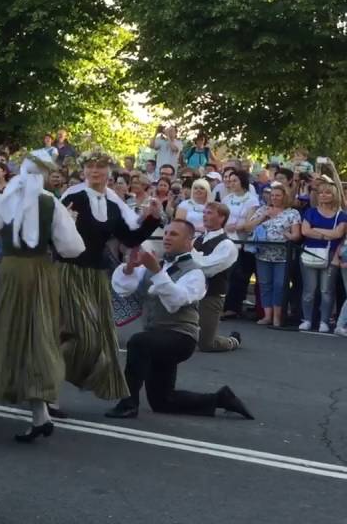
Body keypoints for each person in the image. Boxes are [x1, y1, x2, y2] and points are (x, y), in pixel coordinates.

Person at [0, 149, 84, 441]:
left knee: (4, 331)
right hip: (42, 273)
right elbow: (73, 247)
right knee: (37, 334)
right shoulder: (53, 205)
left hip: (11, 273)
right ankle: (39, 414)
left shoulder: (4, 203)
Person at [104, 220, 255, 421]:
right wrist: (130, 268)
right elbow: (123, 288)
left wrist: (157, 272)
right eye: (166, 233)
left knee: (138, 343)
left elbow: (175, 301)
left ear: (188, 242)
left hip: (181, 337)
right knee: (162, 401)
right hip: (157, 336)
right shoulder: (158, 264)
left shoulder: (194, 272)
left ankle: (128, 403)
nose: (166, 237)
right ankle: (221, 398)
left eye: (174, 234)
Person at [56, 153, 161, 404]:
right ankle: (48, 393)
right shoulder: (73, 197)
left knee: (99, 338)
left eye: (100, 167)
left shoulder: (113, 205)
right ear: (83, 171)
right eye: (90, 167)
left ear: (109, 172)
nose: (95, 171)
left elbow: (129, 239)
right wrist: (65, 224)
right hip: (69, 272)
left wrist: (153, 219)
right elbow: (54, 236)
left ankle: (53, 386)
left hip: (95, 276)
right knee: (75, 334)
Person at [245, 182, 301, 328]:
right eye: (273, 195)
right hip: (262, 254)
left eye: (278, 195)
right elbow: (248, 227)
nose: (275, 198)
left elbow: (296, 235)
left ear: (284, 197)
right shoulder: (263, 210)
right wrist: (264, 217)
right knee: (265, 285)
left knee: (280, 285)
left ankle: (278, 316)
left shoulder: (292, 213)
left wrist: (287, 234)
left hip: (283, 256)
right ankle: (267, 315)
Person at [190, 203, 242, 353]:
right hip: (191, 292)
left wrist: (189, 252)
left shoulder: (227, 245)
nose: (205, 215)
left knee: (207, 344)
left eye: (210, 213)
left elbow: (208, 268)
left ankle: (232, 341)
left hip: (211, 295)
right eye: (204, 212)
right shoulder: (198, 240)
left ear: (221, 218)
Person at [298, 178, 346, 331]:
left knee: (326, 290)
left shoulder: (341, 215)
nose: (324, 196)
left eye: (327, 193)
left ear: (334, 195)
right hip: (309, 252)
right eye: (321, 193)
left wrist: (316, 230)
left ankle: (324, 321)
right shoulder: (310, 212)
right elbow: (304, 231)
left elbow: (338, 233)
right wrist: (327, 235)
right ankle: (307, 319)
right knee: (309, 290)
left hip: (330, 254)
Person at [220, 170, 260, 319]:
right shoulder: (227, 198)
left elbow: (250, 223)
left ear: (242, 182)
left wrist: (236, 227)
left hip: (242, 241)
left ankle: (233, 307)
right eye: (230, 181)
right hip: (226, 240)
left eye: (234, 180)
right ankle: (223, 305)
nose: (231, 183)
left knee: (238, 275)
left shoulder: (251, 200)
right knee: (225, 274)